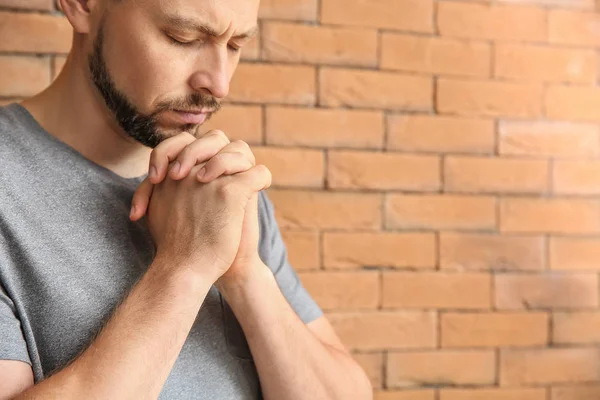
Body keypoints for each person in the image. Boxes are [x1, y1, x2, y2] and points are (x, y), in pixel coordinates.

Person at [0, 0, 373, 398]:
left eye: (234, 46)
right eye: (184, 37)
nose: (219, 83)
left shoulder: (220, 186)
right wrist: (184, 269)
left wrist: (244, 274)